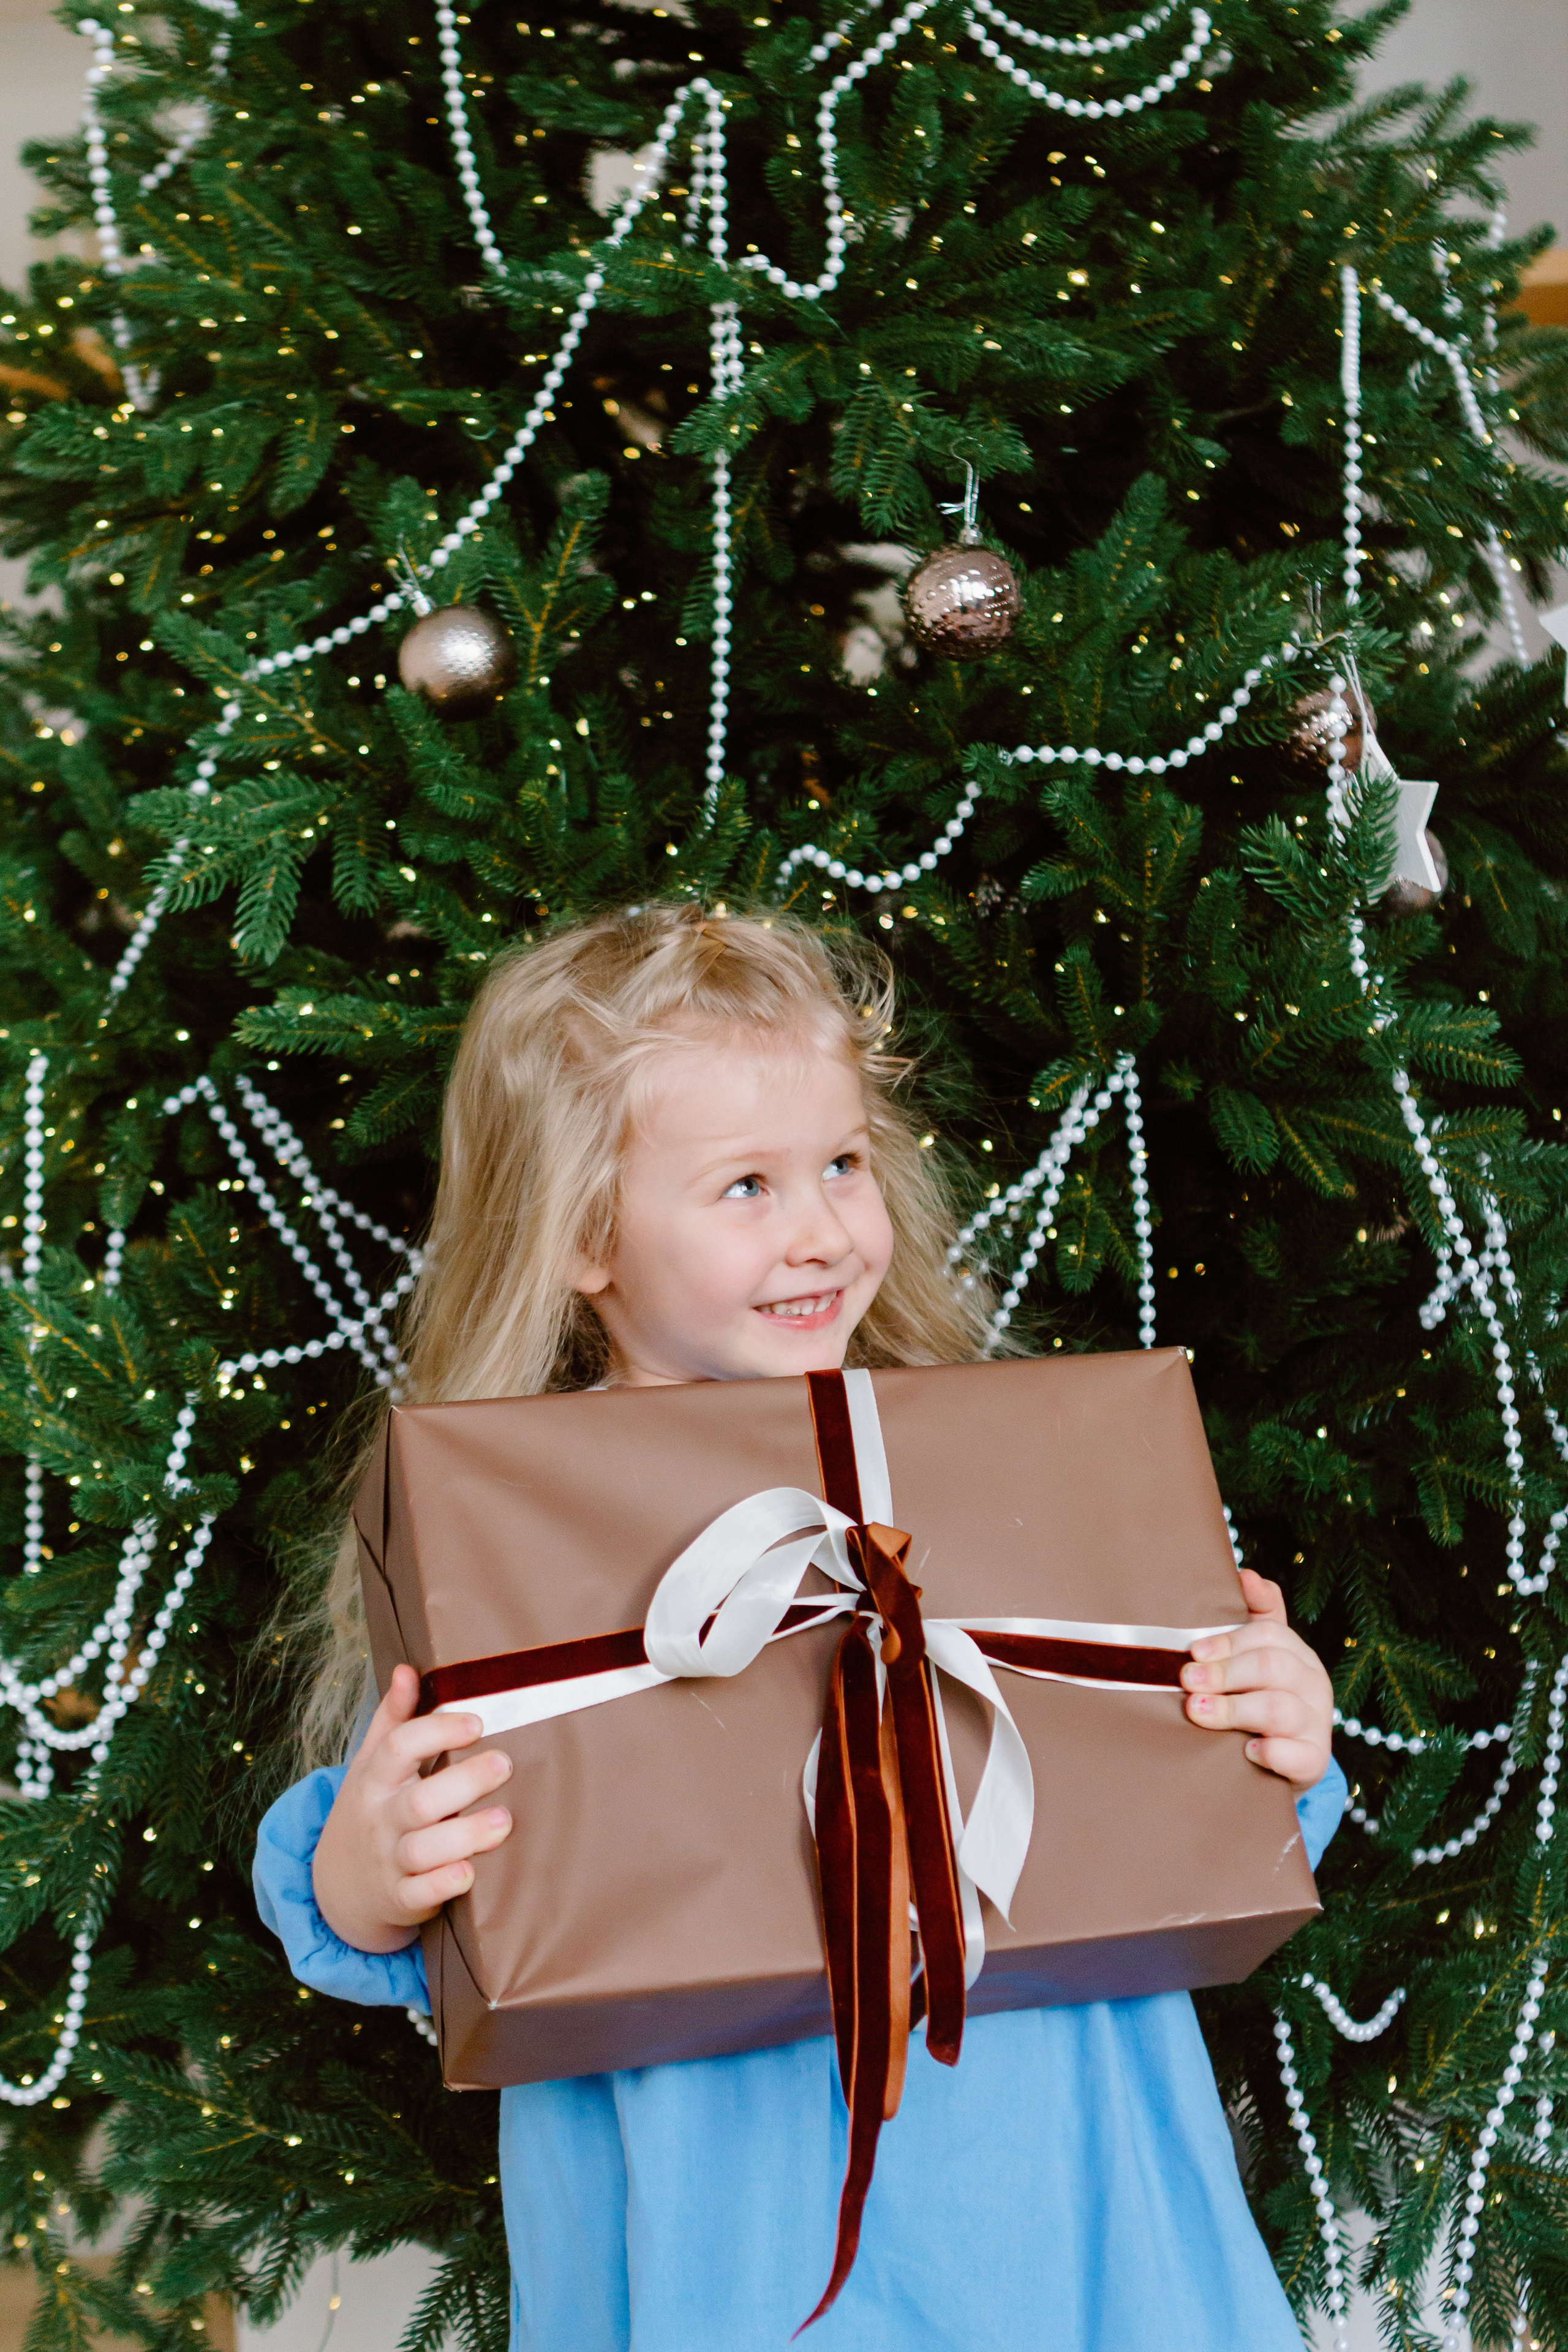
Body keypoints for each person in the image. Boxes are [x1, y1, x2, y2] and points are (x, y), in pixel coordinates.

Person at [254, 904, 1344, 2352]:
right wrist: (364, 1874)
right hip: (734, 2229)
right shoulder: (511, 1522)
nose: (822, 1227)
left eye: (838, 1163)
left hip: (1068, 2195)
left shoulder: (998, 1461)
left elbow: (1183, 1802)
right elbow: (407, 1858)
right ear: (584, 1233)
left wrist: (1276, 1728)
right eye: (745, 1187)